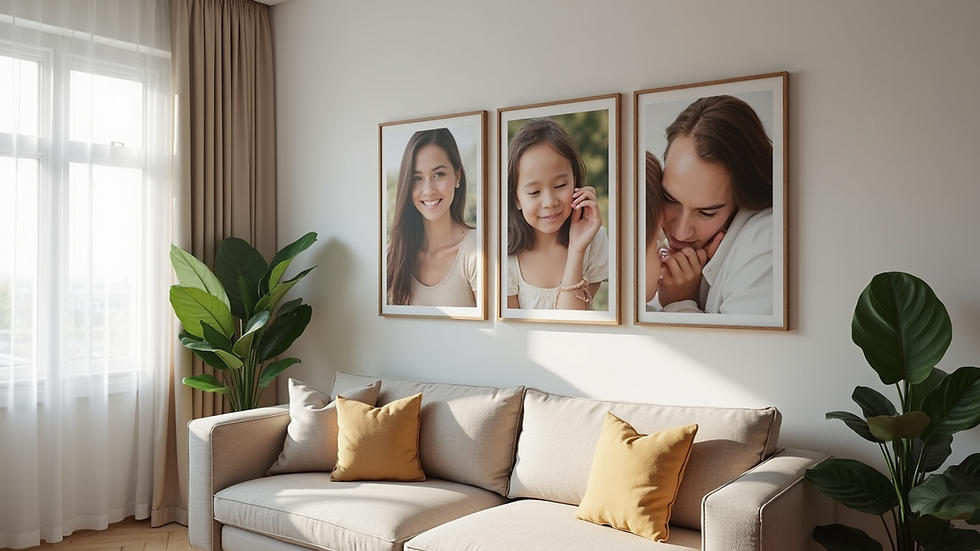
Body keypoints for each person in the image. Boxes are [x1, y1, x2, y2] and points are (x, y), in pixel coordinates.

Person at [650, 94, 774, 315]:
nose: (680, 231)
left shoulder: (765, 244)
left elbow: (735, 349)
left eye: (706, 213)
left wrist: (681, 304)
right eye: (670, 199)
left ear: (743, 198)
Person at [505, 118, 608, 310]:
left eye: (560, 186)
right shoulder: (505, 255)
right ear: (516, 199)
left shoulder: (594, 241)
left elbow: (571, 324)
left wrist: (577, 249)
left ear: (576, 181)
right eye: (534, 192)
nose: (550, 202)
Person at [386, 128, 478, 307]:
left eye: (438, 174)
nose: (428, 190)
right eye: (417, 178)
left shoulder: (476, 251)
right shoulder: (392, 256)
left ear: (457, 176)